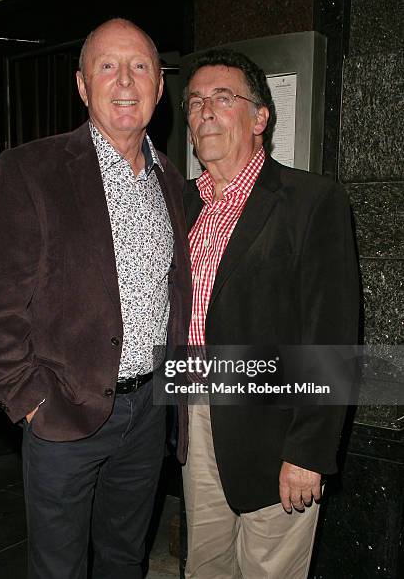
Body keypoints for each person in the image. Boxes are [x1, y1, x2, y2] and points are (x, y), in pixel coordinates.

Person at [0, 18, 191, 579]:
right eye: (107, 66)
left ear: (159, 88)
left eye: (140, 66)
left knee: (124, 559)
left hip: (147, 416)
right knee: (59, 569)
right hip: (63, 413)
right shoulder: (30, 169)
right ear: (82, 85)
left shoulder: (172, 181)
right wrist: (31, 400)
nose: (124, 81)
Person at [178, 49, 359, 579]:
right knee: (206, 568)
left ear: (260, 117)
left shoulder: (311, 200)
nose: (205, 109)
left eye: (222, 97)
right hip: (193, 421)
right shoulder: (181, 203)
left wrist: (309, 450)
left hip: (276, 433)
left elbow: (333, 335)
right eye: (194, 101)